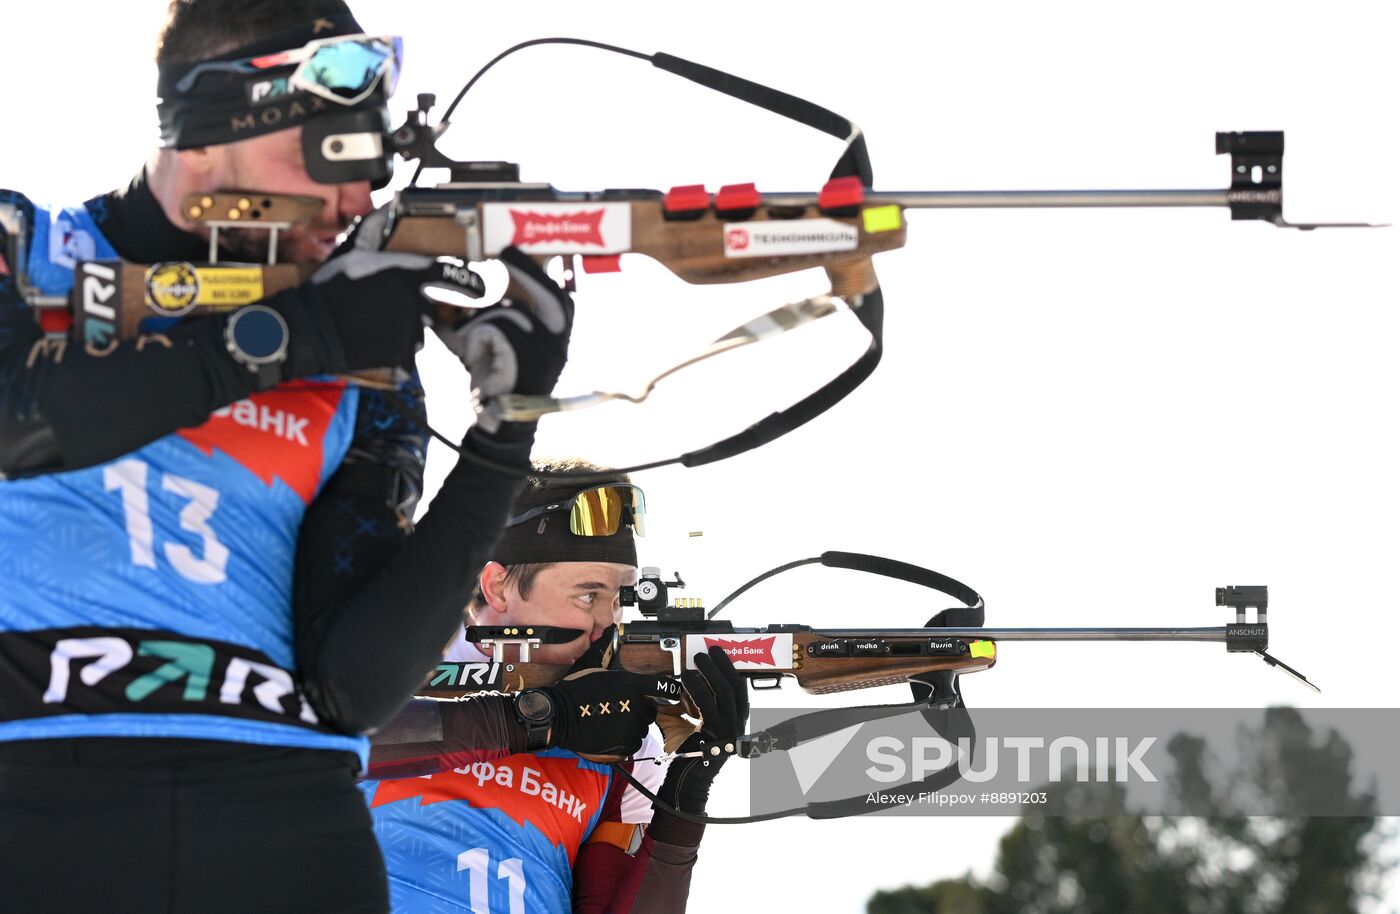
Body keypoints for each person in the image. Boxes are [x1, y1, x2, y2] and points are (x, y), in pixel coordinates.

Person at [0, 2, 569, 911]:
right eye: (331, 153)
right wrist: (291, 335)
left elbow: (353, 685)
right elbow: (22, 421)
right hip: (39, 799)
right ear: (213, 125)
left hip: (289, 821)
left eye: (373, 165)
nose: (356, 202)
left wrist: (507, 431)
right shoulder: (32, 254)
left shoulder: (363, 363)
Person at [363, 461, 749, 912]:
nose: (607, 624)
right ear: (498, 587)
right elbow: (312, 742)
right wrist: (541, 718)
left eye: (621, 599)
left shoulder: (621, 744)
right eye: (587, 596)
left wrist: (685, 794)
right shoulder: (400, 654)